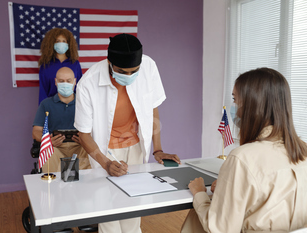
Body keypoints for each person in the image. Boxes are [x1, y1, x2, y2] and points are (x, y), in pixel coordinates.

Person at [74, 33, 181, 233]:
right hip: (104, 151)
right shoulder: (87, 84)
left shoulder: (149, 67)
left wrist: (157, 149)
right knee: (109, 214)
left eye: (134, 71)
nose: (129, 76)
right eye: (123, 71)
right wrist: (105, 163)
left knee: (133, 210)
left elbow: (152, 109)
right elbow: (84, 134)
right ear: (109, 62)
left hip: (135, 147)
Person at [183, 68, 307, 233]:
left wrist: (199, 193)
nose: (234, 107)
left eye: (235, 99)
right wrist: (229, 188)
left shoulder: (242, 158)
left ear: (252, 105)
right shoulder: (303, 150)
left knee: (198, 215)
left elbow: (220, 229)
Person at [32, 67, 90, 172]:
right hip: (55, 147)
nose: (65, 84)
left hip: (80, 146)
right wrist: (48, 141)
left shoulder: (84, 102)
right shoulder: (46, 104)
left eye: (68, 81)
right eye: (61, 81)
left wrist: (85, 139)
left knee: (91, 151)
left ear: (75, 81)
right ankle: (54, 186)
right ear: (56, 82)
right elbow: (36, 131)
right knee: (48, 151)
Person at [38, 28, 82, 105]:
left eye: (64, 41)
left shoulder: (75, 64)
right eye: (58, 41)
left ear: (69, 44)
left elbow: (80, 88)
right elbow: (43, 91)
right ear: (52, 43)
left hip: (72, 105)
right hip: (52, 105)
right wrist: (43, 111)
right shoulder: (45, 65)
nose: (61, 43)